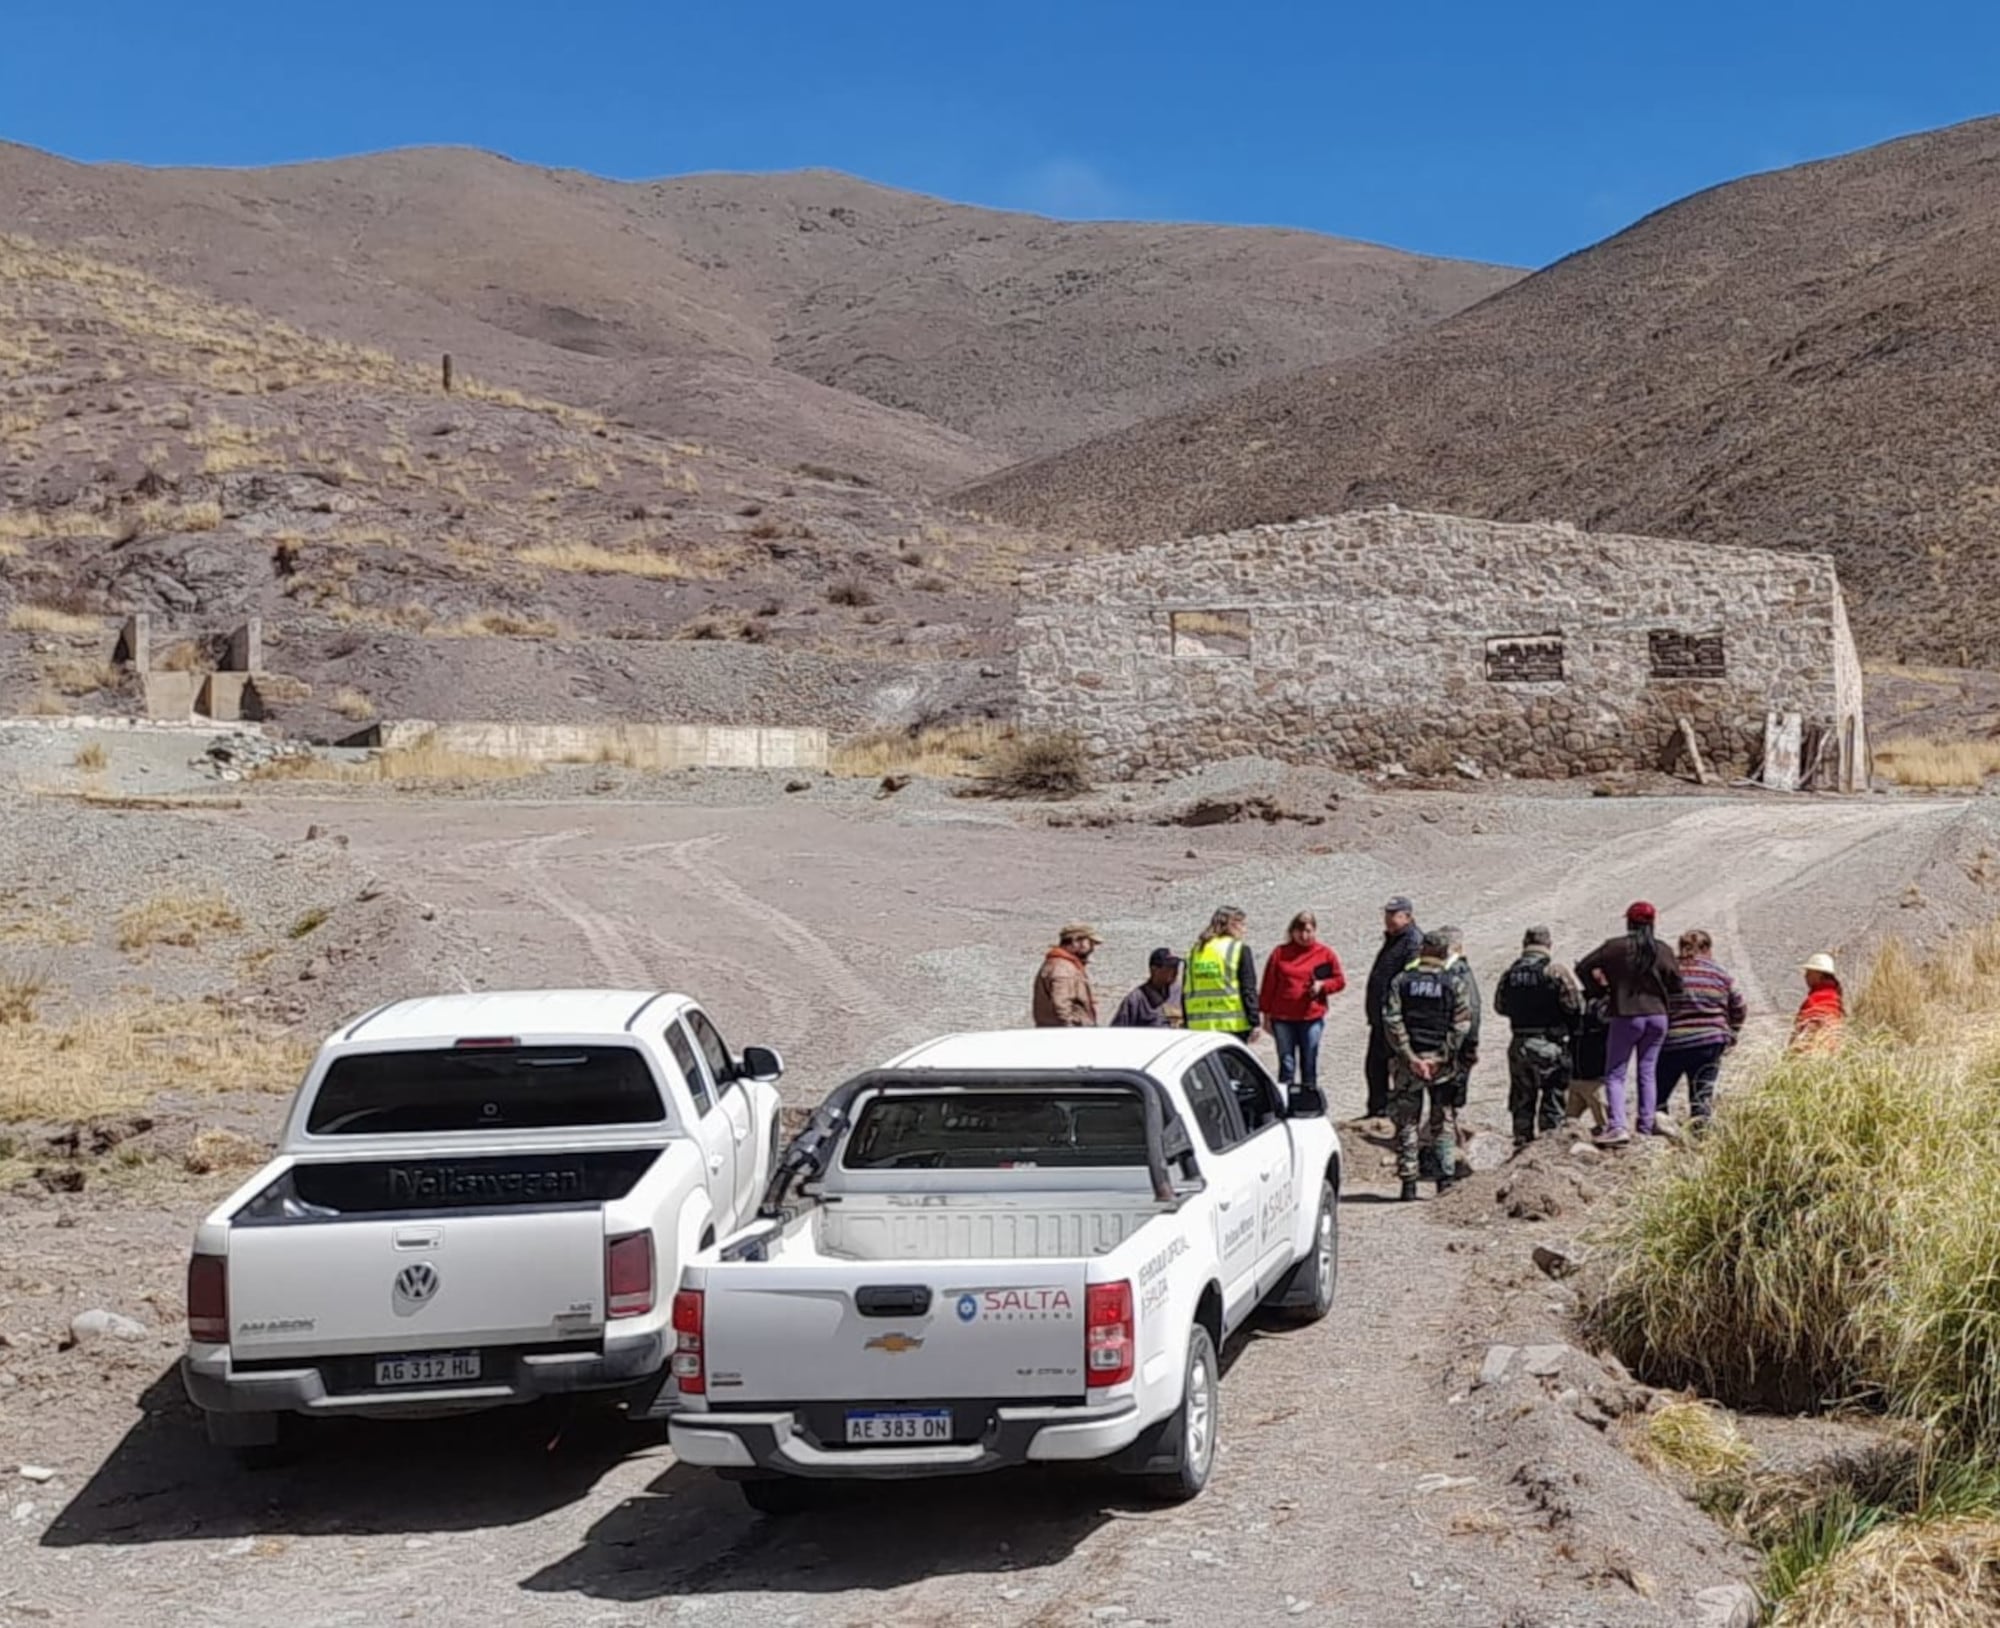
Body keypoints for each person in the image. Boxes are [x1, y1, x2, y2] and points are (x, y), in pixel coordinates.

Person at [1574, 902, 1684, 1145]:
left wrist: (1599, 990)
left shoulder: (1615, 947)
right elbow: (1677, 984)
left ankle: (1618, 1126)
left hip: (1626, 1014)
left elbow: (1583, 966)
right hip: (1658, 1016)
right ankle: (1645, 1125)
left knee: (1615, 1074)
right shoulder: (1662, 950)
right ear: (1652, 923)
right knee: (1647, 1071)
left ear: (1629, 922)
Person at [1383, 928, 1472, 1201]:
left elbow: (1392, 1020)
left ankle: (1408, 1183)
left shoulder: (1402, 981)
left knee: (1408, 1122)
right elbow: (1461, 1025)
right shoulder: (1453, 983)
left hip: (1407, 1064)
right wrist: (1440, 1058)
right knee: (1442, 1120)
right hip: (1440, 1066)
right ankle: (1444, 1180)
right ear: (1444, 952)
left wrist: (1410, 1056)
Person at [1495, 925, 1584, 1151]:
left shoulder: (1510, 973)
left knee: (1522, 1099)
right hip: (1548, 1044)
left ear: (1525, 944)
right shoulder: (1554, 971)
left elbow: (1500, 1006)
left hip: (1518, 1042)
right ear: (1548, 945)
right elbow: (1574, 1006)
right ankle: (1548, 1149)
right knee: (1553, 1097)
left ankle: (1521, 1145)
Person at [1658, 929, 1747, 1125]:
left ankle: (1658, 1134)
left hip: (1673, 1042)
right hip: (1710, 1041)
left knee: (1659, 1095)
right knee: (1701, 1096)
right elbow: (1739, 1006)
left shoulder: (1669, 972)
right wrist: (1733, 1032)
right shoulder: (1720, 973)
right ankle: (1701, 1139)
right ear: (1707, 948)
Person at [1259, 911, 1344, 1090]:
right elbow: (1268, 985)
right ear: (1292, 932)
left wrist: (1322, 986)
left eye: (1308, 931)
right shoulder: (1280, 953)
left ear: (1315, 930)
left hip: (1311, 1017)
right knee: (1287, 1063)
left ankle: (1309, 1101)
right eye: (1300, 931)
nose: (1304, 936)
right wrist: (1265, 1016)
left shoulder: (1325, 954)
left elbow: (1339, 981)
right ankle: (1286, 1101)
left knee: (1309, 1061)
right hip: (1283, 1018)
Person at [1364, 896, 1423, 1118]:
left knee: (1394, 1067)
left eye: (1394, 915)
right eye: (1387, 914)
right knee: (1374, 1066)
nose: (1388, 919)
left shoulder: (1413, 942)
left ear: (1407, 916)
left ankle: (1394, 1112)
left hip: (1395, 1019)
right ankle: (1377, 1108)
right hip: (1380, 1018)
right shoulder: (1393, 939)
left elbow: (1408, 981)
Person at [1185, 906, 1260, 1042]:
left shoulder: (1195, 951)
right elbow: (1248, 988)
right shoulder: (1238, 949)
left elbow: (1187, 990)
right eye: (1242, 924)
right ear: (1232, 924)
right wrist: (1254, 1021)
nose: (1245, 930)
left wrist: (1186, 1022)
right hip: (1232, 1024)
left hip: (1198, 1025)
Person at [1032, 922, 1101, 1028]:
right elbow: (1062, 1007)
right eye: (1090, 943)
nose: (1092, 948)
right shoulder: (1063, 969)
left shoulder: (1058, 964)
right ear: (1077, 941)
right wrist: (1071, 1030)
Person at [1567, 993, 1612, 1133]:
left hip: (1596, 1076)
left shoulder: (1604, 1003)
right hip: (1576, 1075)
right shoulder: (1575, 1001)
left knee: (1606, 1124)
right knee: (1568, 1122)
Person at [1110, 948, 1184, 1029]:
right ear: (1154, 969)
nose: (1175, 971)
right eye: (1169, 967)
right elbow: (1117, 1032)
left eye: (1176, 966)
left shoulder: (1179, 994)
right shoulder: (1136, 1000)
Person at [1790, 953, 1847, 1053]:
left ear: (1818, 974)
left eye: (1809, 973)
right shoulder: (1836, 998)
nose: (1806, 976)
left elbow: (1803, 1032)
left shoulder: (1815, 1000)